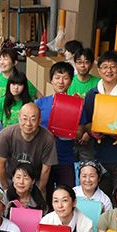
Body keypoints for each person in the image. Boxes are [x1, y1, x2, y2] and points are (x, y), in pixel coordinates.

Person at [77, 51, 117, 196]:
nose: (109, 70)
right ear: (99, 70)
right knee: (101, 197)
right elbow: (86, 122)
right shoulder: (92, 94)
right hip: (100, 154)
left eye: (113, 66)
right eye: (105, 67)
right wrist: (93, 132)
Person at [0, 103, 57, 194]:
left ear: (39, 120)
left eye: (33, 119)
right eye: (25, 118)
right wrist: (6, 188)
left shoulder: (47, 138)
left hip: (35, 179)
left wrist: (39, 192)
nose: (28, 123)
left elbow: (46, 169)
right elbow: (0, 165)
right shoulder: (6, 134)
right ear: (19, 118)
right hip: (10, 177)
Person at [35, 62, 77, 196]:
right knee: (43, 195)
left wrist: (70, 130)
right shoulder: (40, 103)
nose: (61, 82)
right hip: (43, 158)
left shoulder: (76, 104)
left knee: (67, 195)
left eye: (65, 78)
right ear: (51, 80)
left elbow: (81, 131)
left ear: (71, 81)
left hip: (65, 158)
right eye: (57, 77)